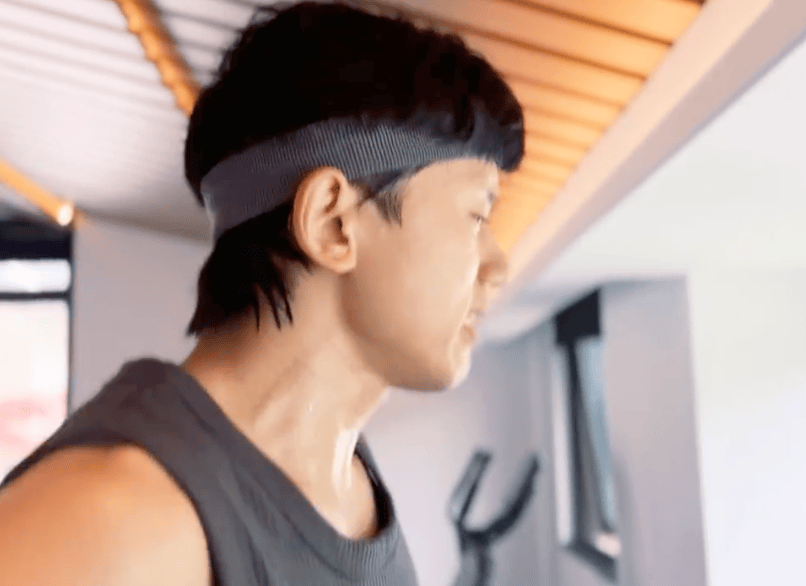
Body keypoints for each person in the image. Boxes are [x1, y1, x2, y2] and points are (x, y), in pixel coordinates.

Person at [0, 1, 523, 584]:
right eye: (478, 217)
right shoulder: (111, 526)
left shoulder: (348, 480)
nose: (498, 267)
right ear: (333, 223)